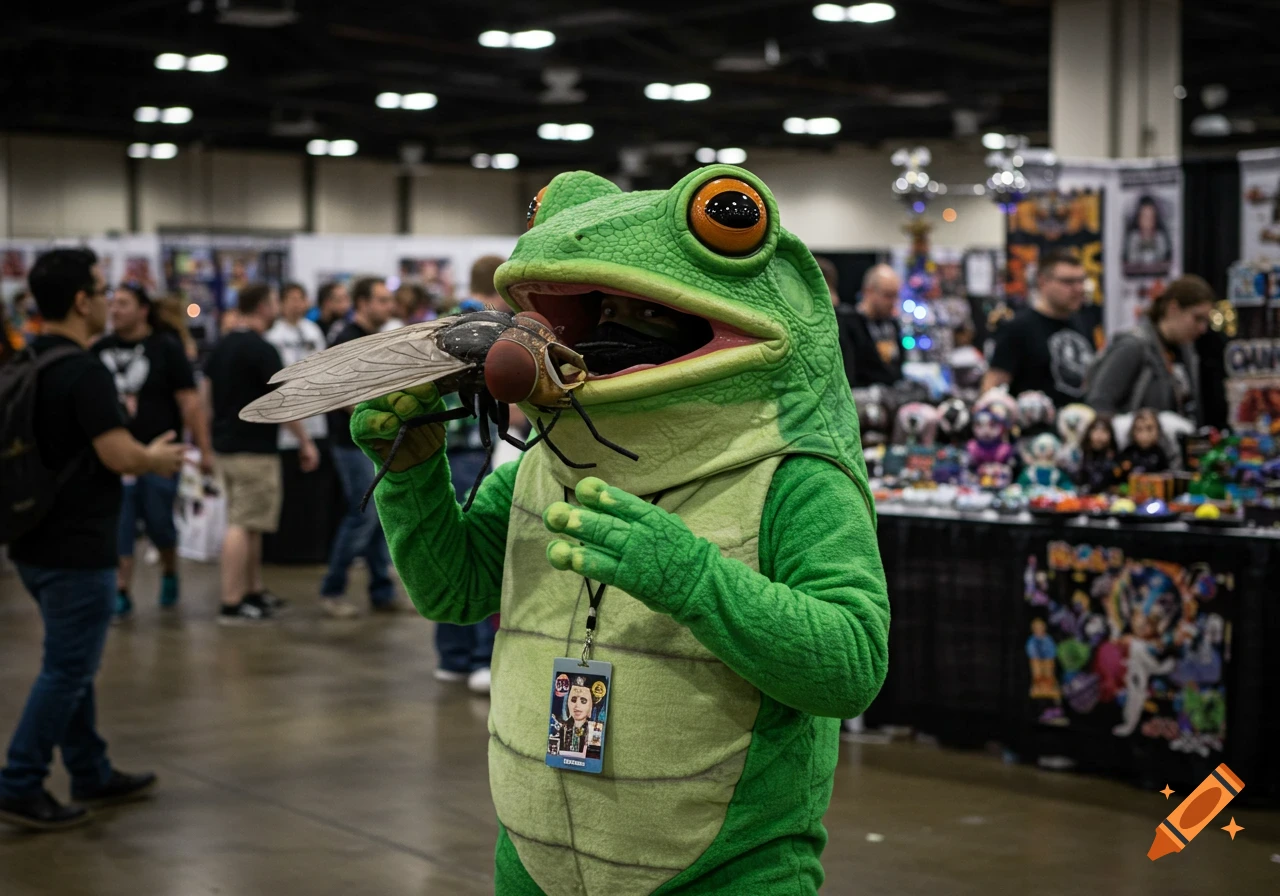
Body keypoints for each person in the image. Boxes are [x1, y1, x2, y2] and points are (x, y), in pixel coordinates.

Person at [345, 168, 888, 893]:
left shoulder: (794, 477)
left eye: (640, 318)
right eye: (601, 317)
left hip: (729, 867)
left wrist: (692, 578)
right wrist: (413, 479)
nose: (613, 334)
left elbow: (851, 666)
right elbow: (453, 591)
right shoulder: (551, 457)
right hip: (532, 857)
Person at [0, 249, 185, 831]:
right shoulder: (84, 371)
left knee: (68, 660)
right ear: (82, 300)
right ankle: (20, 781)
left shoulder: (29, 358)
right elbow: (117, 453)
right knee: (69, 669)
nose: (108, 300)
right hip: (77, 546)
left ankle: (89, 768)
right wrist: (154, 458)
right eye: (102, 291)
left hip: (31, 539)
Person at [94, 282, 214, 620]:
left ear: (143, 309)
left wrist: (204, 451)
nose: (115, 310)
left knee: (161, 525)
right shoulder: (99, 349)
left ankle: (169, 571)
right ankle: (121, 590)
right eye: (112, 303)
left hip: (162, 455)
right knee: (122, 525)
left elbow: (190, 403)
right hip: (116, 457)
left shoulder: (166, 348)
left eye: (123, 303)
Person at [205, 284, 319, 624]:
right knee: (242, 524)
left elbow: (204, 396)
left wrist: (208, 439)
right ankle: (231, 601)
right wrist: (305, 441)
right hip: (253, 449)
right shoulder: (261, 349)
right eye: (273, 303)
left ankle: (252, 591)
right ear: (263, 306)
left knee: (252, 523)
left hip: (227, 446)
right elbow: (281, 401)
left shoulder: (222, 346)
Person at [429, 257, 506, 691]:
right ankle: (480, 658)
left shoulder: (441, 324)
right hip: (470, 452)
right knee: (478, 551)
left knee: (445, 551)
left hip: (437, 450)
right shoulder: (492, 328)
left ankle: (452, 658)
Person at [320, 277, 401, 618]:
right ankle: (332, 590)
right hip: (352, 444)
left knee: (377, 516)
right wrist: (372, 419)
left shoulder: (374, 338)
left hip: (374, 442)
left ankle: (381, 590)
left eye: (389, 300)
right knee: (361, 516)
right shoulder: (346, 339)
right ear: (363, 303)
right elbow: (339, 392)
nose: (388, 307)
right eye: (381, 300)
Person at [1085, 275, 1214, 422]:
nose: (1203, 328)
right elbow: (1099, 402)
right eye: (1197, 318)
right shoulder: (1132, 346)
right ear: (1173, 309)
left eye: (1206, 321)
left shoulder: (1187, 352)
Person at [982, 250, 1096, 407]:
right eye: (1068, 282)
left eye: (1081, 281)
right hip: (1033, 428)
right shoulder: (1017, 328)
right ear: (1043, 282)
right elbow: (991, 390)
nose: (1078, 289)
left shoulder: (1083, 322)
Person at [841, 264, 903, 387]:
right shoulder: (849, 324)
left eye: (895, 296)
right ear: (868, 292)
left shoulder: (892, 325)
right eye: (888, 295)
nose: (893, 302)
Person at [1123, 196, 1172, 268]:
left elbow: (1163, 258)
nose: (1147, 222)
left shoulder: (1159, 237)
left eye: (1151, 217)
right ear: (1138, 218)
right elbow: (1131, 258)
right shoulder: (1134, 237)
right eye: (1144, 217)